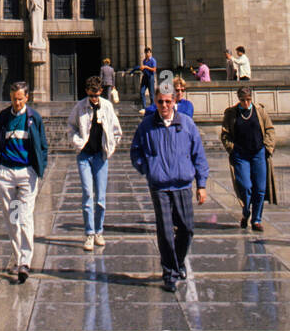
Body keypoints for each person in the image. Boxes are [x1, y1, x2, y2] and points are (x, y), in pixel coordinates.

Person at [130, 86, 208, 292]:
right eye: (160, 102)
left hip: (182, 184)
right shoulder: (146, 126)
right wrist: (149, 169)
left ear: (174, 101)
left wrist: (201, 184)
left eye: (167, 101)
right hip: (160, 186)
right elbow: (135, 151)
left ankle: (177, 262)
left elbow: (198, 155)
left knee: (187, 228)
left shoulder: (187, 124)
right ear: (154, 102)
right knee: (165, 231)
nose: (164, 105)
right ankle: (170, 273)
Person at [0, 80, 48, 282]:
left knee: (25, 217)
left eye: (20, 99)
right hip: (6, 175)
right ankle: (18, 256)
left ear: (27, 97)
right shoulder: (3, 118)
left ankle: (25, 261)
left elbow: (43, 146)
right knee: (13, 219)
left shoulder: (34, 118)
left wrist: (39, 167)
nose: (17, 103)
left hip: (26, 175)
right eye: (14, 99)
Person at [67, 75, 123, 250]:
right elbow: (71, 128)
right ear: (86, 92)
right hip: (85, 156)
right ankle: (89, 234)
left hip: (100, 156)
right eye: (91, 95)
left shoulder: (106, 107)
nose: (94, 98)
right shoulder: (80, 107)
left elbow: (116, 131)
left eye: (97, 95)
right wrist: (79, 144)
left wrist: (109, 149)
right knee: (87, 194)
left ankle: (99, 231)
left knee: (100, 197)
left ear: (100, 92)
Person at [220, 86, 276, 232]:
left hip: (258, 153)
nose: (246, 103)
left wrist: (268, 148)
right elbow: (225, 134)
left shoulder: (260, 111)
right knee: (245, 186)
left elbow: (269, 129)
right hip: (241, 155)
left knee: (260, 188)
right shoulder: (232, 113)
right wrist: (231, 148)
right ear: (238, 99)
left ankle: (256, 219)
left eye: (248, 100)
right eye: (243, 100)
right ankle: (246, 212)